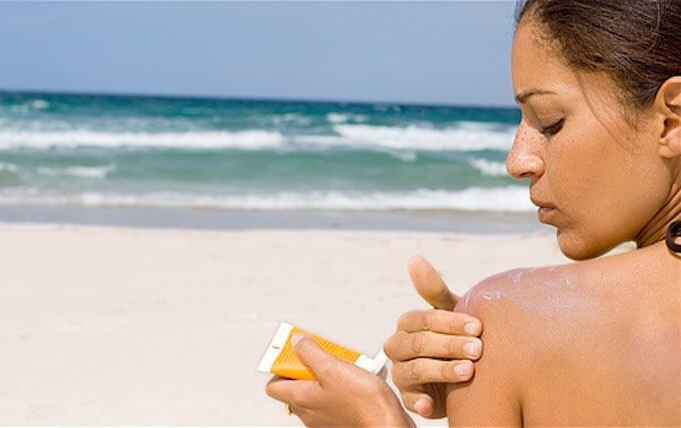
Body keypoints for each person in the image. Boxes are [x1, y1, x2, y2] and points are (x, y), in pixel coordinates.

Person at [265, 0, 681, 425]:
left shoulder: (514, 319)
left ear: (672, 120)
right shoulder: (518, 321)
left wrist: (376, 419)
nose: (518, 160)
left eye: (550, 122)